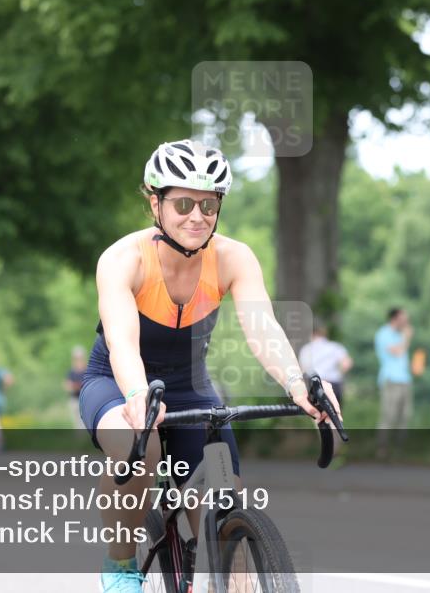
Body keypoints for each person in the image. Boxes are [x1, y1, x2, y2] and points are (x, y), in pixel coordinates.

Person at [79, 140, 340, 592]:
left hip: (189, 387)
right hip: (117, 383)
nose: (196, 216)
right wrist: (139, 397)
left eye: (208, 204)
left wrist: (298, 383)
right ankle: (120, 568)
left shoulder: (233, 257)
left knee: (222, 502)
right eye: (183, 203)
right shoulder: (123, 259)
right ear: (154, 202)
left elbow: (263, 329)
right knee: (143, 453)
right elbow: (122, 343)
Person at [299, 319, 353, 461]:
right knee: (335, 416)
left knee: (319, 419)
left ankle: (331, 451)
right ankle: (337, 448)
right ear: (323, 333)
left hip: (316, 386)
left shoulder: (306, 349)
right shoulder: (335, 347)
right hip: (334, 384)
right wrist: (339, 374)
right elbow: (347, 363)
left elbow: (303, 371)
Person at [374, 307, 413, 458]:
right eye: (404, 319)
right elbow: (397, 352)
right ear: (395, 318)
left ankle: (400, 449)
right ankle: (382, 449)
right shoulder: (384, 334)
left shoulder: (399, 335)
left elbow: (402, 358)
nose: (407, 322)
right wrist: (407, 337)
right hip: (391, 380)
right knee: (388, 416)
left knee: (405, 416)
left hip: (405, 380)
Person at [64, 346, 87, 429]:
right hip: (75, 400)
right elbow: (67, 386)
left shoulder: (87, 370)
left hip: (86, 400)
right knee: (77, 424)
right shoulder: (71, 371)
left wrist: (76, 386)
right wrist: (77, 386)